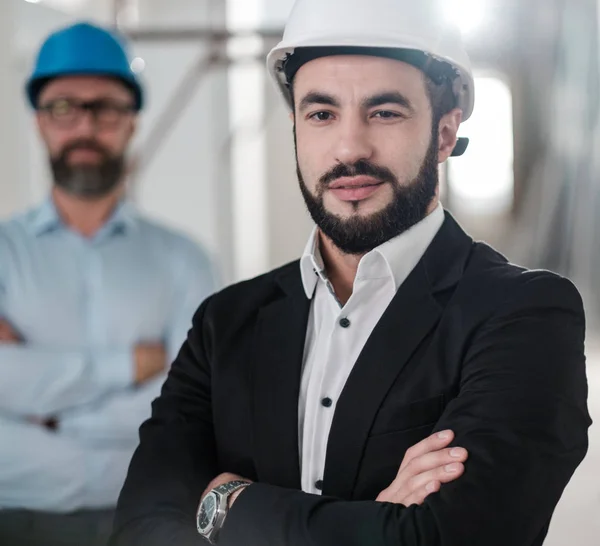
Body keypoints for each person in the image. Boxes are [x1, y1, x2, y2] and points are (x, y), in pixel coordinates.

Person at [111, 1, 591, 545]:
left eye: (385, 112)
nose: (349, 148)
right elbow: (140, 528)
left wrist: (222, 506)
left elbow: (453, 538)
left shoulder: (524, 315)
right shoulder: (226, 323)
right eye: (321, 114)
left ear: (443, 132)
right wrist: (375, 524)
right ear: (295, 127)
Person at [0, 21, 217, 546]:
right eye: (63, 107)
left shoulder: (184, 260)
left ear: (131, 122)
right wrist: (131, 366)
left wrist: (45, 410)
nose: (84, 126)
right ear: (38, 122)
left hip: (152, 522)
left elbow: (190, 407)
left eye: (106, 108)